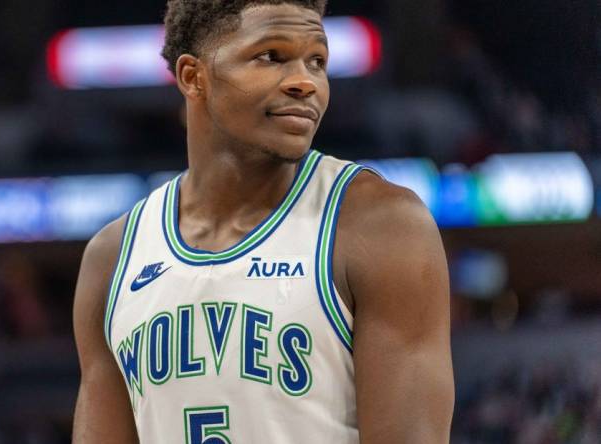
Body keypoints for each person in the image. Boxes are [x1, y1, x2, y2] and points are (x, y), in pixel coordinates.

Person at [72, 0, 454, 442]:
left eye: (317, 61)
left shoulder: (380, 227)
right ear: (193, 78)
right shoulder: (112, 258)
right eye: (271, 57)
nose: (304, 82)